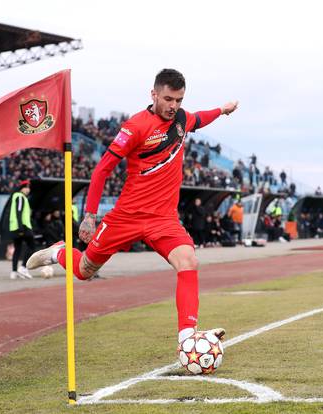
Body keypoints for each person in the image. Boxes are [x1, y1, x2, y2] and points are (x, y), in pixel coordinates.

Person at [27, 68, 238, 345]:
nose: (173, 106)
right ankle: (60, 253)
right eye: (168, 99)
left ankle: (187, 339)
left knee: (188, 261)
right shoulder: (135, 127)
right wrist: (90, 216)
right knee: (84, 271)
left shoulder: (182, 119)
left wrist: (222, 110)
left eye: (179, 100)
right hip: (127, 217)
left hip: (163, 219)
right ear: (154, 94)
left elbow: (199, 118)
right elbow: (102, 169)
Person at [9, 180, 35, 279]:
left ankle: (14, 271)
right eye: (26, 187)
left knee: (18, 249)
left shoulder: (18, 197)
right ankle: (23, 267)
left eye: (29, 188)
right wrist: (21, 228)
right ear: (22, 188)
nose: (28, 190)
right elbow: (18, 212)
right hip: (22, 227)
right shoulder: (20, 197)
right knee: (32, 246)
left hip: (16, 227)